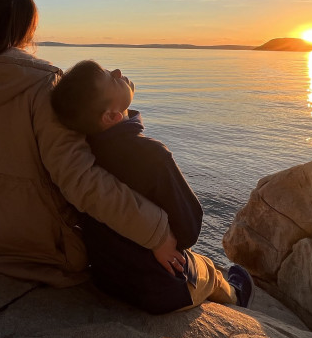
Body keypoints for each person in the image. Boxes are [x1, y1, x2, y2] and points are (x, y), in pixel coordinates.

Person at [0, 0, 181, 287]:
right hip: (35, 246)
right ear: (30, 31)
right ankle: (226, 285)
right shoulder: (43, 84)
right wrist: (156, 231)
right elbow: (79, 180)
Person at [50, 59, 254, 312]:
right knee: (207, 271)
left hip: (107, 278)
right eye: (110, 78)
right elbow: (189, 230)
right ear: (111, 116)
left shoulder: (84, 157)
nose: (117, 71)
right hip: (159, 289)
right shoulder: (151, 156)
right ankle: (236, 294)